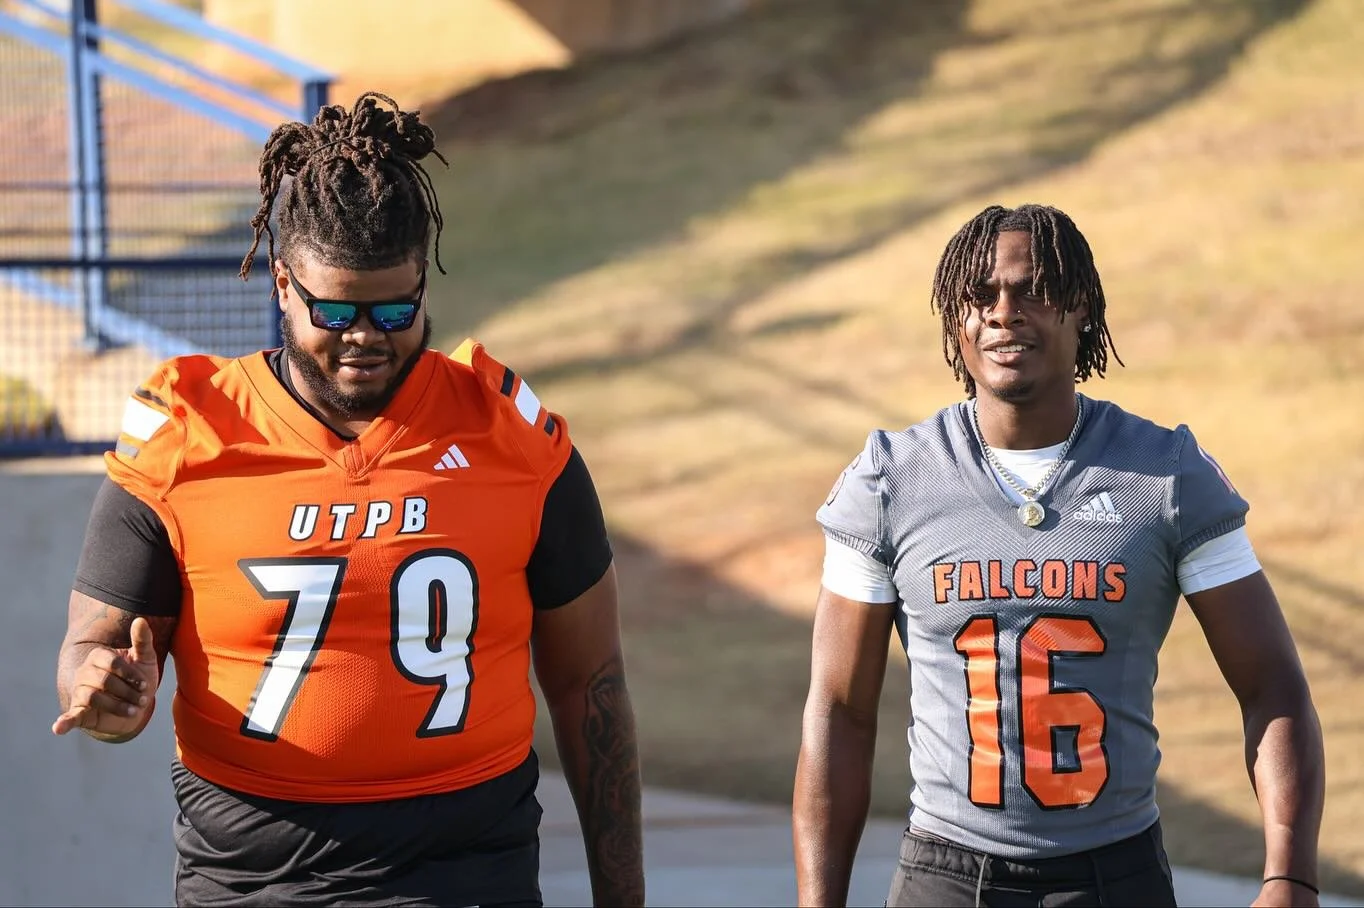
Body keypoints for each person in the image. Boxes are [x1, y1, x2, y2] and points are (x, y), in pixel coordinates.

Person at [51, 92, 645, 908]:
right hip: (254, 879)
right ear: (284, 284)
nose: (365, 335)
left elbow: (591, 682)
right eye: (335, 310)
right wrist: (104, 692)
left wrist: (625, 897)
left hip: (464, 874)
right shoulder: (186, 434)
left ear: (426, 278)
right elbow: (94, 650)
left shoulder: (511, 432)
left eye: (394, 309)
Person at [793, 203, 1325, 907]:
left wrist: (1289, 874)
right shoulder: (891, 478)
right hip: (946, 875)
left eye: (1031, 289)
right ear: (956, 323)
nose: (1003, 312)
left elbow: (1272, 687)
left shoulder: (1165, 475)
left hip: (1115, 874)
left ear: (1081, 309)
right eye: (980, 295)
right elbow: (839, 711)